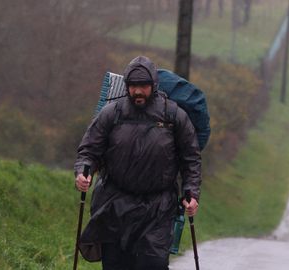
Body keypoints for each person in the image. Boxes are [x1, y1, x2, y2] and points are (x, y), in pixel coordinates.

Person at [74, 55, 202, 270]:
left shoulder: (174, 116)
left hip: (157, 208)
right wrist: (82, 172)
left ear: (154, 85)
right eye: (133, 86)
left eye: (143, 85)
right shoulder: (111, 114)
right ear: (126, 86)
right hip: (114, 204)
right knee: (116, 265)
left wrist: (191, 192)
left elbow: (191, 159)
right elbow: (89, 150)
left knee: (152, 264)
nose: (138, 91)